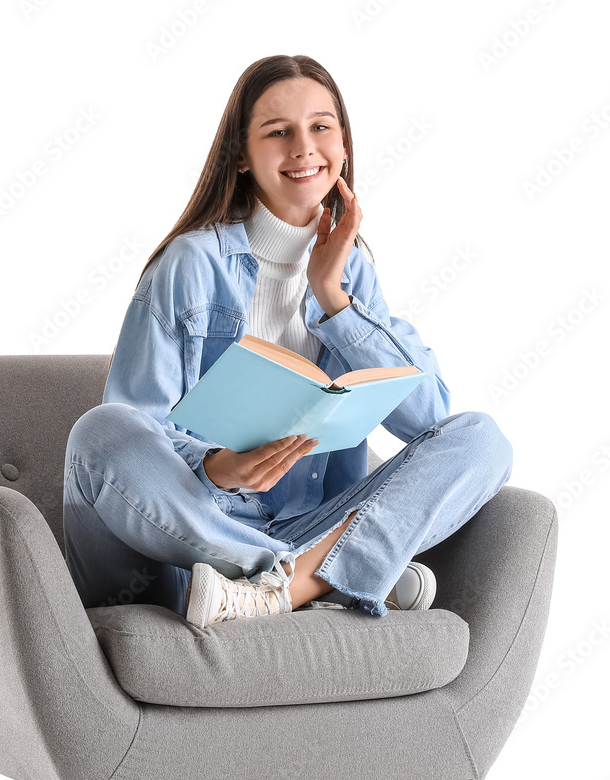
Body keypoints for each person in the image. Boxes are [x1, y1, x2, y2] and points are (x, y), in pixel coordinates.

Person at [62, 54, 513, 627]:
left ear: (344, 146)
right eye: (278, 132)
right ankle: (311, 578)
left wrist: (332, 296)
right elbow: (138, 425)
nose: (304, 147)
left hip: (309, 525)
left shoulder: (352, 274)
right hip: (186, 541)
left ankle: (288, 586)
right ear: (243, 157)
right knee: (100, 432)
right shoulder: (190, 266)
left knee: (482, 439)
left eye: (321, 127)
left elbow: (428, 418)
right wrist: (218, 468)